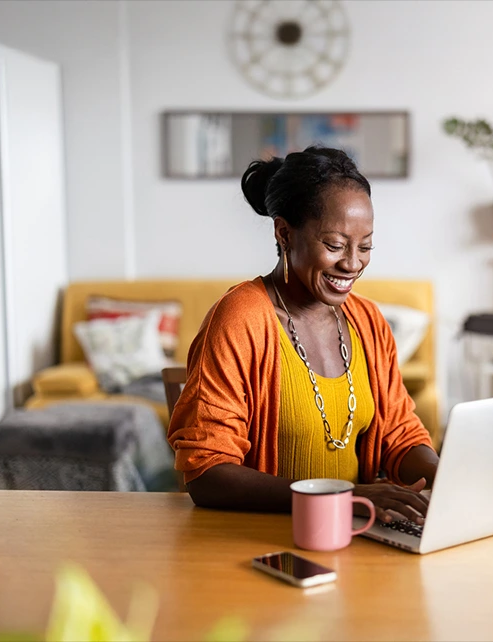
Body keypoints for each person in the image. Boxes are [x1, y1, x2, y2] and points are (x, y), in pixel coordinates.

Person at [167, 146, 438, 525]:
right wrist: (343, 498)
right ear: (284, 233)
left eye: (365, 246)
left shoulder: (368, 321)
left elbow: (400, 435)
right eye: (334, 245)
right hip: (262, 540)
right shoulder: (240, 320)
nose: (352, 263)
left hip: (354, 535)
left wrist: (446, 477)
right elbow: (207, 473)